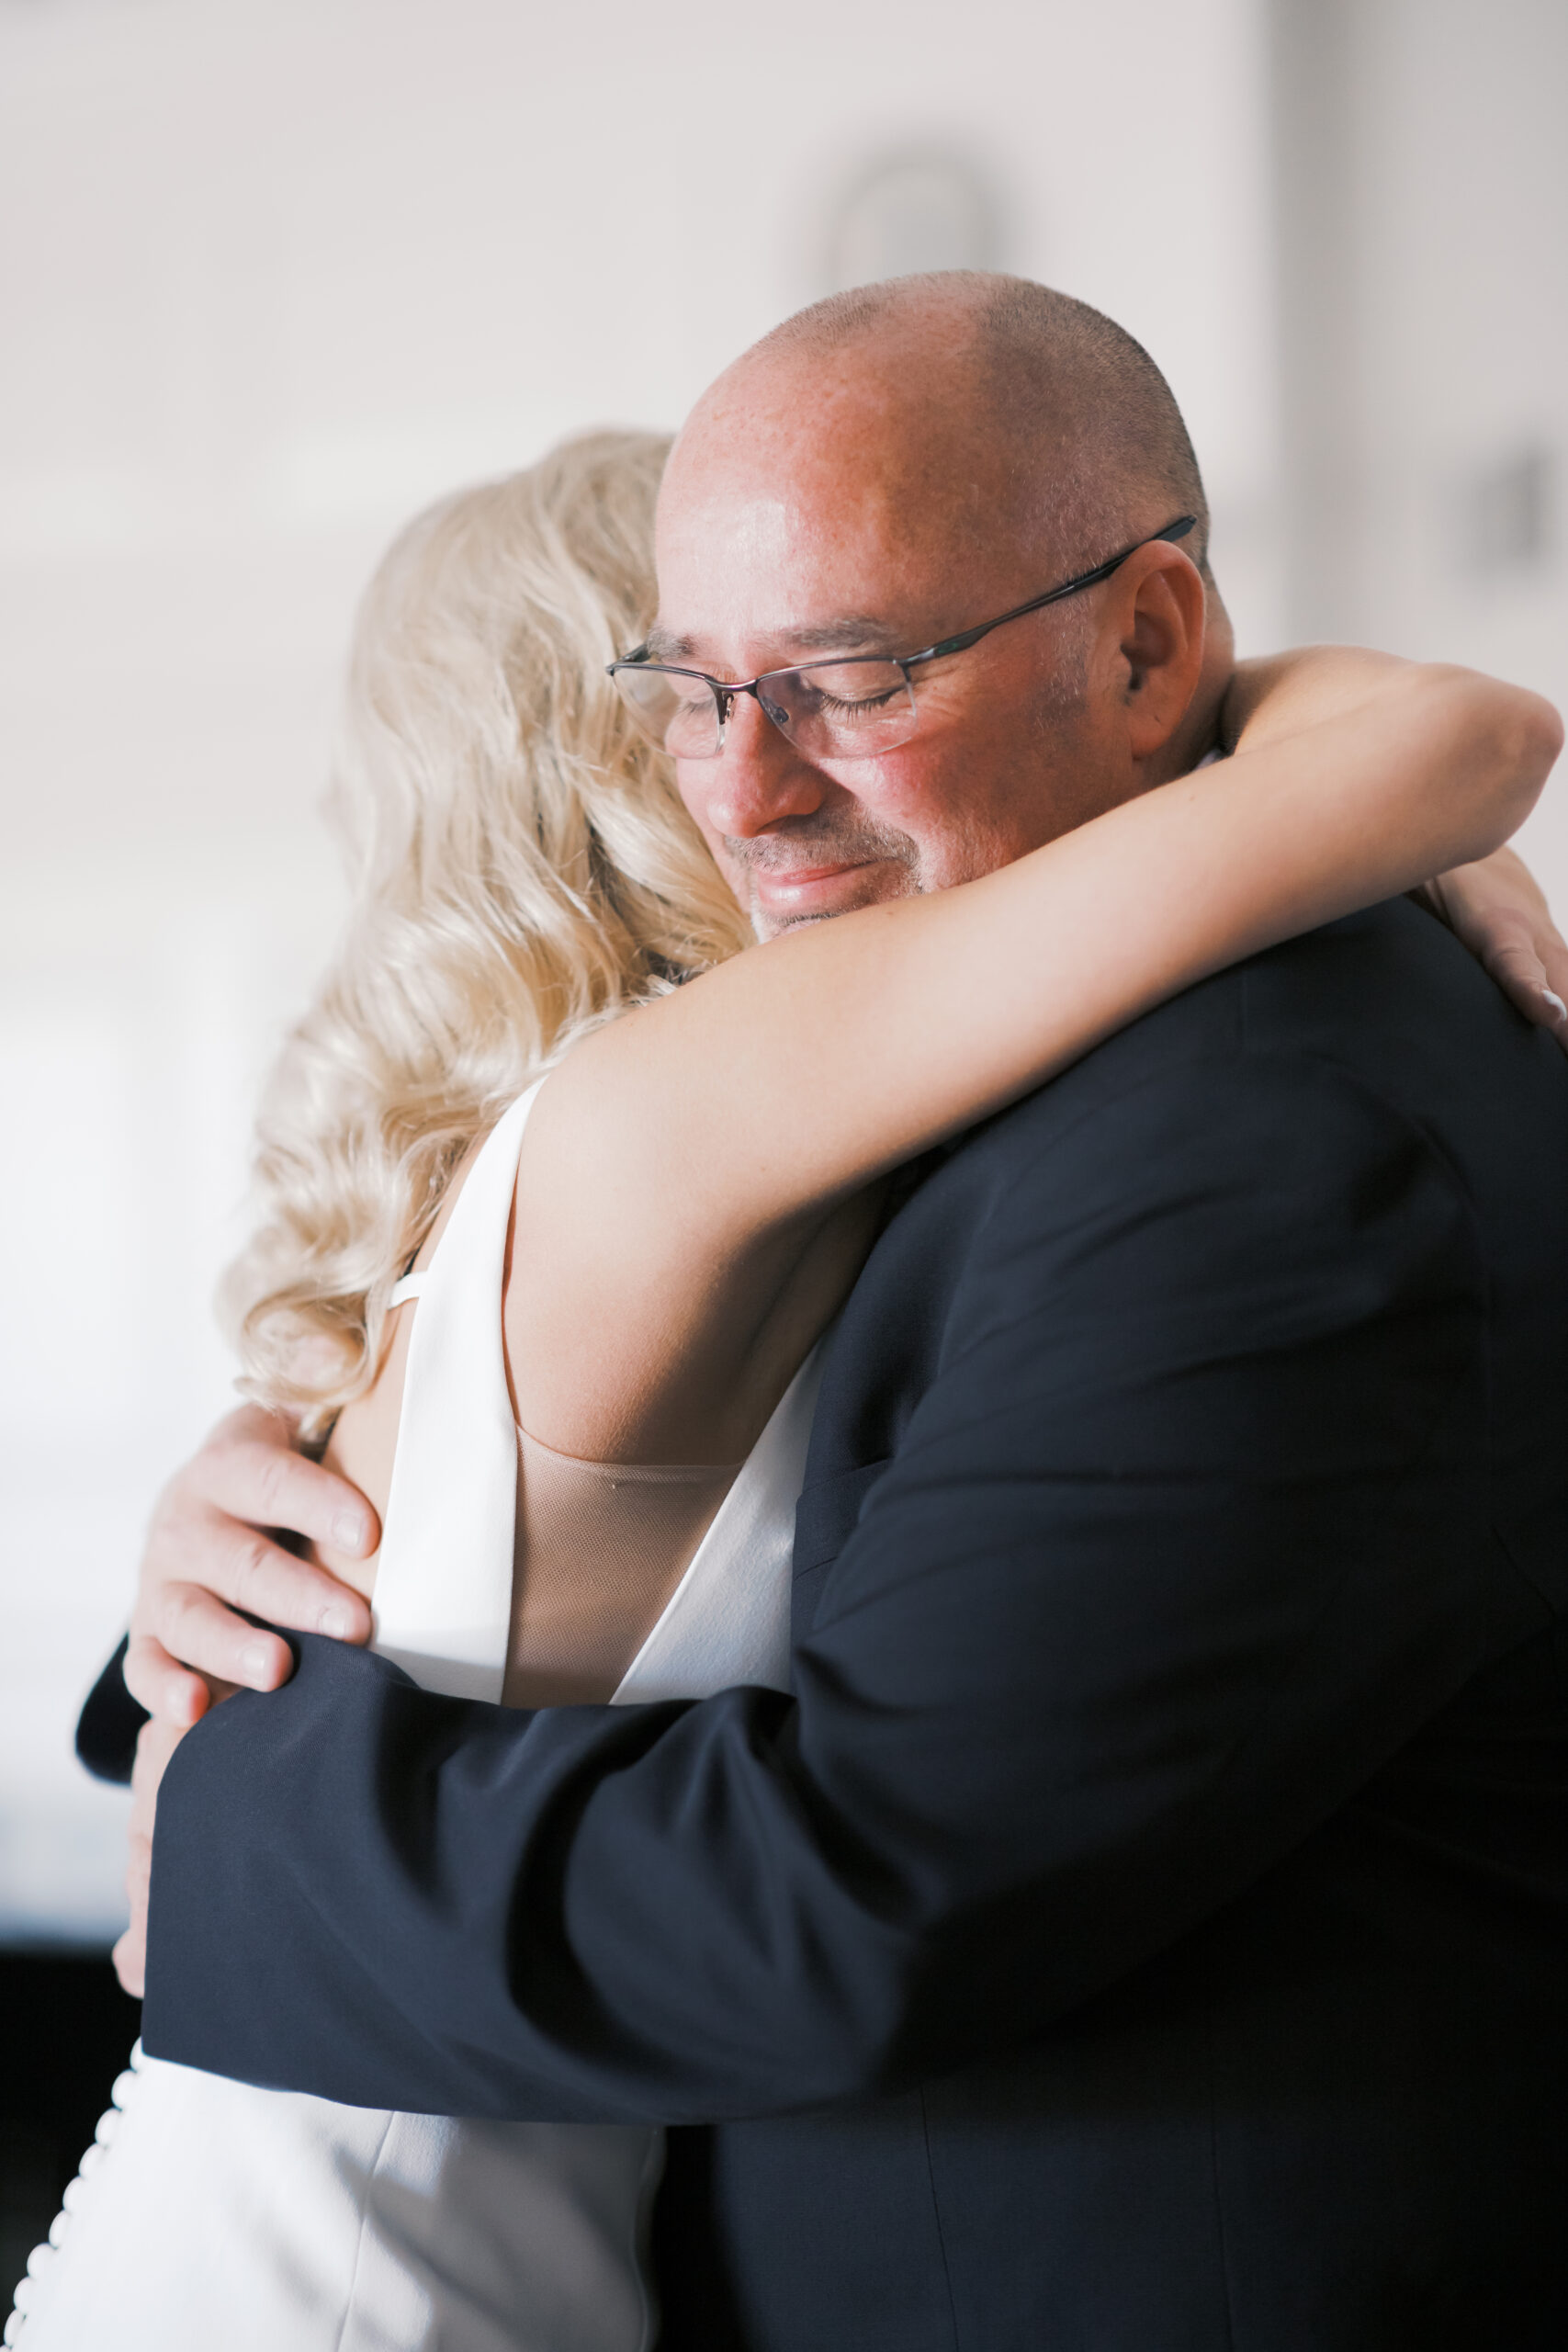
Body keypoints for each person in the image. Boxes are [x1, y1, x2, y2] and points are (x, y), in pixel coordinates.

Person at [73, 277, 1568, 2348]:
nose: (745, 782)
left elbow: (854, 1826)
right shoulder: (697, 1112)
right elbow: (1453, 740)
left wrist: (231, 1795)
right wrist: (1335, 785)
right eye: (688, 689)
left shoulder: (1060, 1114)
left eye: (846, 676)